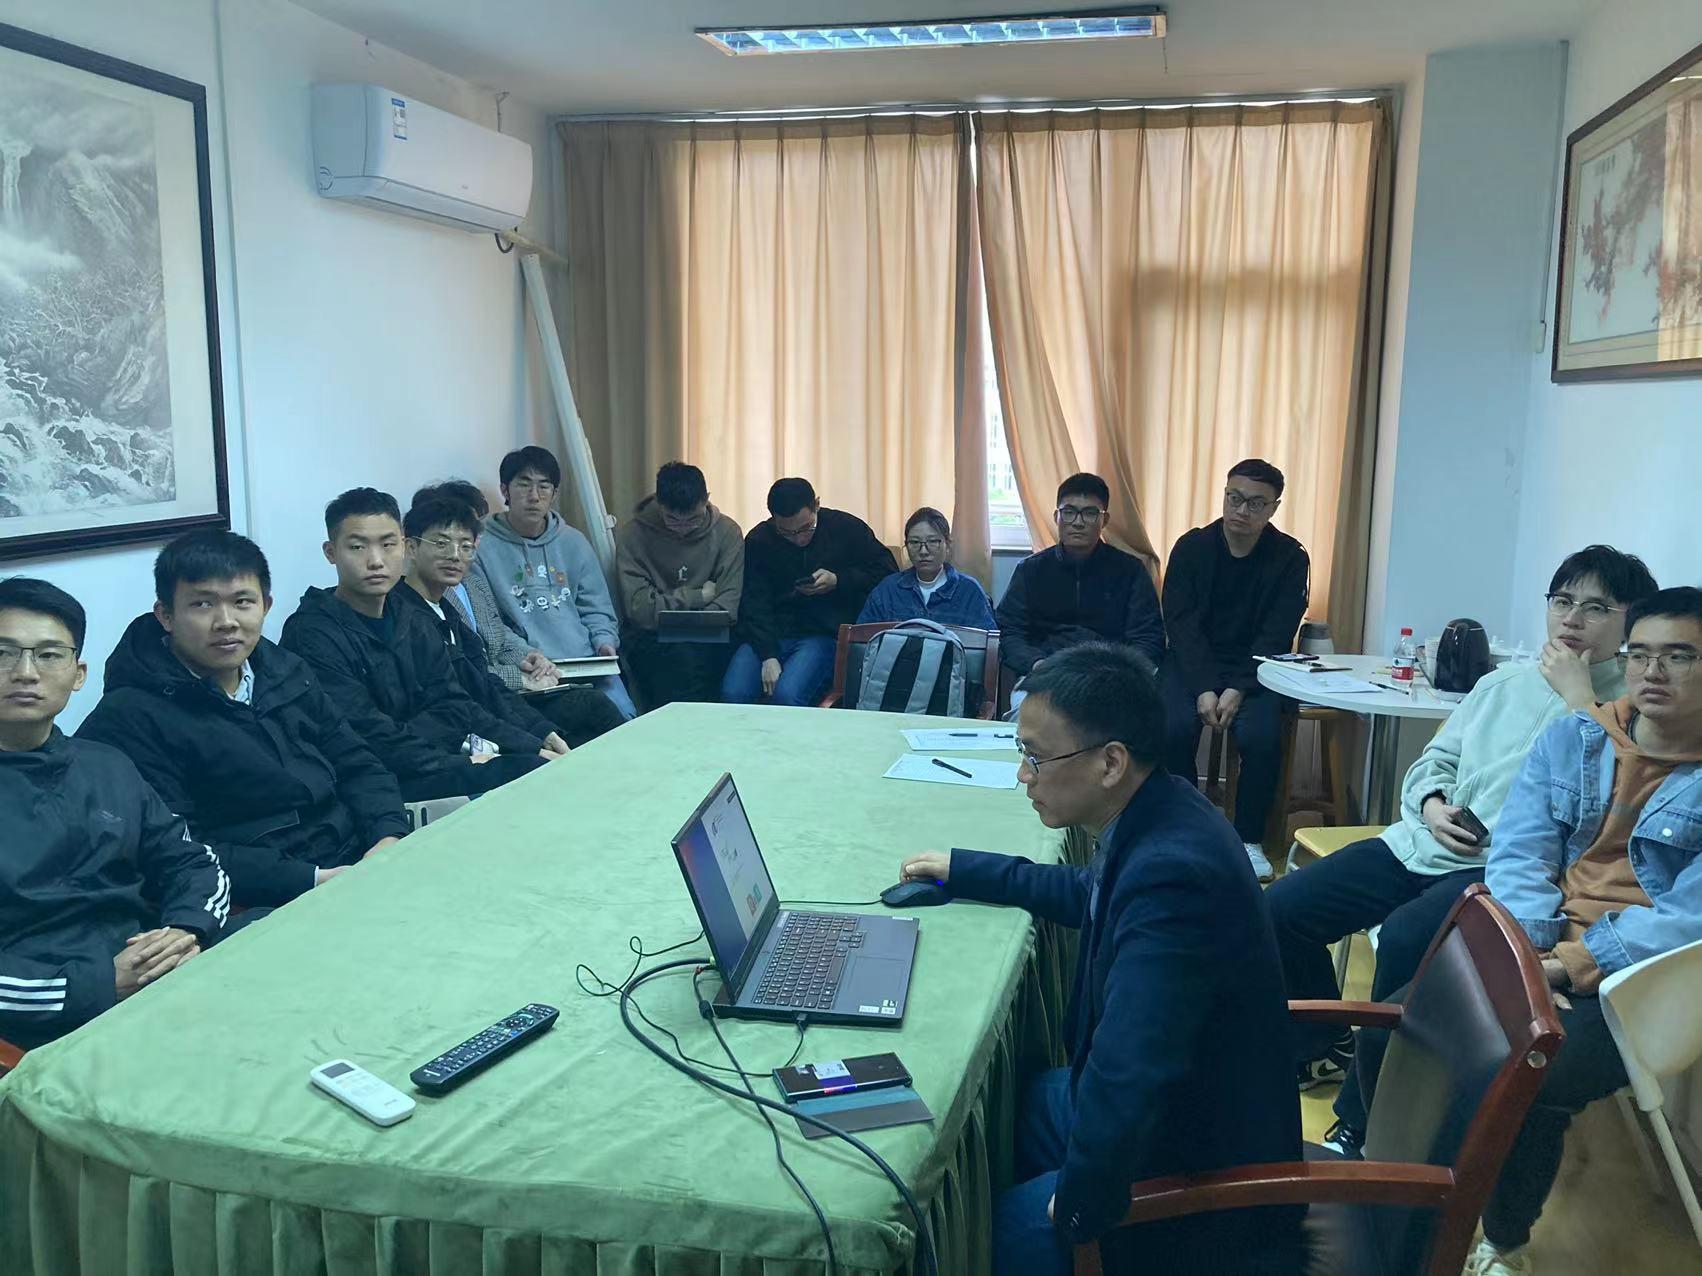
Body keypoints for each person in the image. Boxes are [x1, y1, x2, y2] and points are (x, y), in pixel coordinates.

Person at [898, 643, 1301, 1275]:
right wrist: (967, 870)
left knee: (966, 1242)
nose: (1023, 776)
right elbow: (1087, 891)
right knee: (1019, 1107)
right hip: (1187, 1107)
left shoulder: (1172, 878)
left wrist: (1078, 1209)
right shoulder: (1160, 809)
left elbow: (1127, 1071)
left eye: (1035, 757)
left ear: (1111, 762)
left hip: (1207, 1180)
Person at [1282, 546, 1658, 1148]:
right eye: (1562, 601)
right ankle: (1326, 1045)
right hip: (1421, 843)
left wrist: (1578, 699)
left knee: (1405, 940)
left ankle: (1363, 1119)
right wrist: (1432, 805)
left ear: (1630, 623)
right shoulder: (1502, 682)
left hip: (1501, 869)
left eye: (1596, 608)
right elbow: (1435, 760)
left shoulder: (1635, 710)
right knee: (1281, 911)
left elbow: (1611, 799)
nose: (1572, 619)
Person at [1395, 587, 1699, 1276]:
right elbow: (1521, 849)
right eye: (1641, 654)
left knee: (1529, 1072)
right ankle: (1391, 1196)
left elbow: (1688, 919)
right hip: (1541, 944)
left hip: (1642, 984)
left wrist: (1564, 966)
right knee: (1416, 1016)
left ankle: (1503, 1245)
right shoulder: (1579, 737)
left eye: (1679, 656)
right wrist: (1531, 949)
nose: (1653, 672)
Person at [77, 530, 409, 907]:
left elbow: (358, 763)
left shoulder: (285, 670)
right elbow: (176, 847)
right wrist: (311, 879)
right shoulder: (129, 716)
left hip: (356, 859)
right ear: (166, 616)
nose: (226, 622)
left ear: (266, 605)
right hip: (258, 898)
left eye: (242, 602)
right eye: (203, 604)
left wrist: (387, 837)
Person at [0, 578, 229, 1049]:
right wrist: (100, 984)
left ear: (78, 673)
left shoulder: (106, 765)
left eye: (48, 655)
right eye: (4, 653)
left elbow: (193, 862)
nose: (25, 672)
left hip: (155, 975)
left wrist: (186, 930)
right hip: (46, 1022)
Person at [281, 488, 550, 802]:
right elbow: (365, 734)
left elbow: (454, 703)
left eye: (387, 544)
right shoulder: (313, 633)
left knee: (544, 766)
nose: (376, 561)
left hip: (430, 761)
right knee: (523, 775)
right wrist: (461, 760)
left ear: (403, 545)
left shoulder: (412, 617)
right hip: (369, 784)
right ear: (331, 552)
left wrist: (535, 743)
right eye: (357, 547)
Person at [1160, 459, 1310, 881]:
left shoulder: (1290, 557)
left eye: (1256, 503)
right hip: (1193, 661)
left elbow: (1277, 633)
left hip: (1258, 667)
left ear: (1274, 508)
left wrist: (1239, 687)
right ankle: (1184, 826)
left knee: (1262, 737)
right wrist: (1205, 686)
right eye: (1235, 498)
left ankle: (1248, 838)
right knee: (1171, 726)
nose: (1242, 510)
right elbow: (1181, 623)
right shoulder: (1191, 547)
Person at [417, 480, 624, 748]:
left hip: (507, 692)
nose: (473, 543)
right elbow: (465, 672)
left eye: (471, 536)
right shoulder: (427, 598)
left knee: (592, 721)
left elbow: (500, 634)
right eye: (449, 539)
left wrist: (531, 657)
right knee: (589, 710)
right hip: (487, 702)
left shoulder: (473, 583)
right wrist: (521, 678)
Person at [394, 490, 572, 760]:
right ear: (411, 548)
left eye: (465, 546)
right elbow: (459, 706)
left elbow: (486, 684)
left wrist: (544, 733)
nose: (455, 556)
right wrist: (533, 748)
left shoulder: (449, 614)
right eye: (441, 543)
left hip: (479, 730)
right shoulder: (402, 616)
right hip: (438, 748)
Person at [472, 445, 636, 720]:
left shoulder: (574, 542)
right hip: (532, 667)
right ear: (504, 490)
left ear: (554, 494)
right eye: (524, 484)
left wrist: (604, 642)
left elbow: (596, 607)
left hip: (587, 662)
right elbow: (490, 622)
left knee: (626, 719)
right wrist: (527, 656)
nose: (534, 496)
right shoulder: (481, 548)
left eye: (544, 486)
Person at [995, 474, 1164, 713]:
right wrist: (1036, 663)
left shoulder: (1130, 571)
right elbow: (1010, 630)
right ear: (1057, 517)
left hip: (1110, 678)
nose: (1078, 522)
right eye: (1069, 512)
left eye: (1090, 513)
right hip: (1046, 673)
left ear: (1104, 520)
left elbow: (1148, 637)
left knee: (1115, 723)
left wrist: (1119, 673)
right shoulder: (1031, 570)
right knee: (1027, 719)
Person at [721, 477, 897, 707]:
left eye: (806, 528)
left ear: (817, 505)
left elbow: (887, 571)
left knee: (787, 695)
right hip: (771, 632)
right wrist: (767, 655)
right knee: (733, 693)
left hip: (823, 634)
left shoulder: (846, 528)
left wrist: (839, 580)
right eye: (786, 532)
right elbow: (754, 602)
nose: (798, 539)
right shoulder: (760, 540)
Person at [616, 461, 745, 708]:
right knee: (675, 662)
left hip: (710, 634)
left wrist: (670, 613)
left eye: (694, 519)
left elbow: (727, 607)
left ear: (706, 499)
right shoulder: (633, 534)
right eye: (673, 520)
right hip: (653, 635)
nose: (684, 529)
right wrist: (698, 597)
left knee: (703, 660)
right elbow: (639, 610)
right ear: (659, 504)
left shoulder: (727, 532)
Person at [857, 507, 997, 629]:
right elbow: (862, 639)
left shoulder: (969, 591)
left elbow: (988, 643)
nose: (923, 551)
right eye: (915, 542)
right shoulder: (888, 589)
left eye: (932, 541)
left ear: (948, 545)